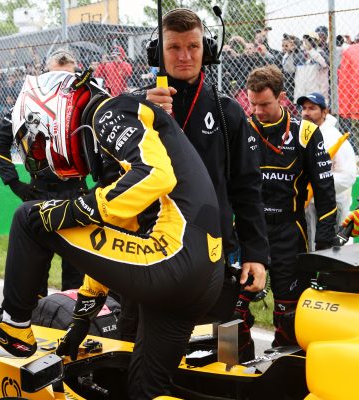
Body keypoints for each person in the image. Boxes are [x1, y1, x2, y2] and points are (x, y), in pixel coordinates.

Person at [0, 70, 224, 398]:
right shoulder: (123, 125)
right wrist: (83, 317)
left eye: (39, 144)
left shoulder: (107, 112)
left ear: (52, 115)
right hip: (202, 272)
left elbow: (156, 176)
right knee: (146, 391)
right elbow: (120, 228)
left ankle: (13, 329)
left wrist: (80, 209)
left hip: (173, 257)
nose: (40, 155)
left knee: (30, 218)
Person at [136, 8, 269, 360]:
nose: (184, 56)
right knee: (140, 348)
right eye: (174, 47)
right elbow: (106, 174)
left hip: (212, 254)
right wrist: (141, 119)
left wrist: (256, 253)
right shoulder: (134, 108)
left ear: (206, 50)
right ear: (157, 53)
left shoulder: (228, 111)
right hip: (145, 249)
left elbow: (247, 187)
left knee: (224, 352)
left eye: (193, 46)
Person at [246, 65, 336, 347]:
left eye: (265, 104)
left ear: (282, 97)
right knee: (234, 308)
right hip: (250, 231)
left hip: (289, 231)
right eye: (252, 104)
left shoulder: (306, 132)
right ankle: (236, 368)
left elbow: (325, 191)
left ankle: (287, 372)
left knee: (290, 310)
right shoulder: (242, 129)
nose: (258, 111)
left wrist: (324, 242)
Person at [0, 48, 86, 296]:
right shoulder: (25, 105)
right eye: (55, 76)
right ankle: (35, 323)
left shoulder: (85, 104)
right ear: (44, 75)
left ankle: (74, 325)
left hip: (76, 194)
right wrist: (15, 183)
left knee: (78, 272)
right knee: (35, 270)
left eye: (68, 77)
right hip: (40, 193)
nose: (62, 83)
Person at [297, 92, 357, 250]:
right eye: (304, 108)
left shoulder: (335, 138)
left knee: (333, 253)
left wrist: (317, 182)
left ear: (325, 112)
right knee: (309, 250)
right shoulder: (301, 135)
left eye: (312, 108)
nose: (306, 112)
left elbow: (348, 176)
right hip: (307, 204)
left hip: (333, 205)